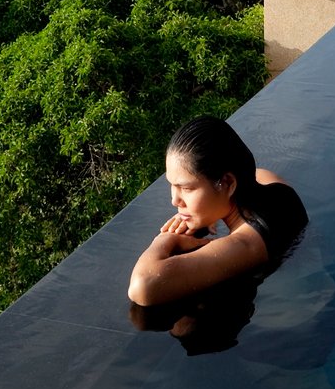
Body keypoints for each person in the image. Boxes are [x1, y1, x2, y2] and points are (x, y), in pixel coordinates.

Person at [127, 116, 305, 307]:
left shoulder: (245, 245)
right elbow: (254, 172)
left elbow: (143, 287)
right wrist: (212, 208)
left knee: (186, 327)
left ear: (228, 183)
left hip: (300, 320)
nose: (175, 200)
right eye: (172, 185)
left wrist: (163, 240)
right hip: (321, 292)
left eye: (186, 189)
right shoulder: (277, 188)